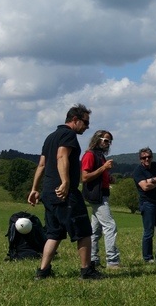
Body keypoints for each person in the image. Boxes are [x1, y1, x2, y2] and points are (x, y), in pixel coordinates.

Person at [28, 103, 103, 280]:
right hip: (63, 192)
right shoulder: (68, 134)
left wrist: (34, 189)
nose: (87, 127)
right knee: (84, 231)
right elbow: (62, 156)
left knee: (54, 233)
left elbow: (41, 164)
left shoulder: (51, 136)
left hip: (47, 192)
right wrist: (65, 182)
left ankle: (43, 272)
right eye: (85, 123)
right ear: (75, 120)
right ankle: (87, 271)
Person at [80, 130, 120, 269]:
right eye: (106, 140)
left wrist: (108, 178)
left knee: (95, 230)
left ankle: (93, 259)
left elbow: (98, 174)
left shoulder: (100, 156)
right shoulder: (90, 155)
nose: (108, 144)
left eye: (110, 142)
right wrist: (104, 168)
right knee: (110, 226)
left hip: (102, 193)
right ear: (98, 140)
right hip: (97, 196)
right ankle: (112, 260)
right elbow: (85, 177)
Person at [133, 147, 156, 263]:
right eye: (144, 157)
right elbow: (145, 187)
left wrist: (150, 180)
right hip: (147, 203)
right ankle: (148, 258)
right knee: (149, 232)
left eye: (149, 157)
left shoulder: (155, 166)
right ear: (140, 159)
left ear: (152, 157)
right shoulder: (138, 172)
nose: (147, 159)